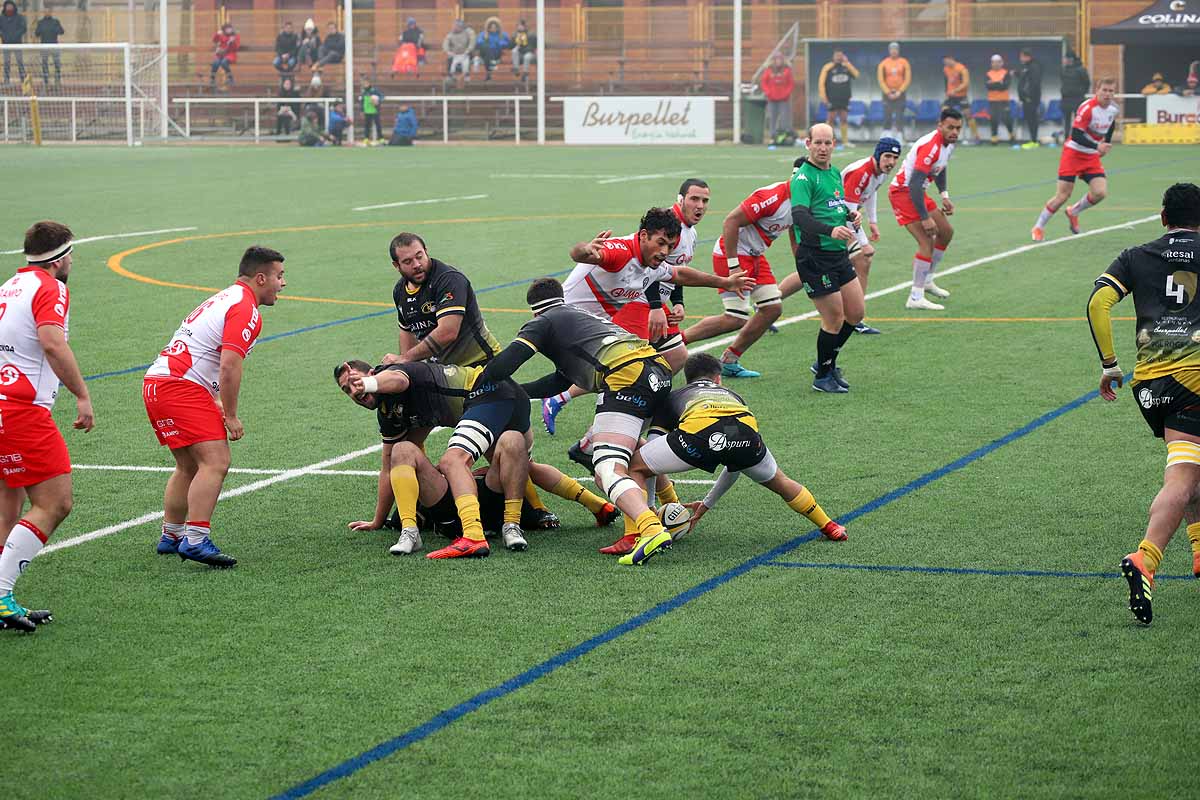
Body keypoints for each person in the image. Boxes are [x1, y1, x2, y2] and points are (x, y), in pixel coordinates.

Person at [475, 278, 676, 566]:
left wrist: (478, 383)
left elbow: (507, 362)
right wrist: (520, 392)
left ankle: (650, 527)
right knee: (624, 451)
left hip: (625, 378)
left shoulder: (543, 321)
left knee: (606, 467)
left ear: (534, 310)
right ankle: (663, 512)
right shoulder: (580, 317)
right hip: (657, 369)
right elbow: (561, 379)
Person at [335, 360, 617, 557]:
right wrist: (377, 520)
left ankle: (480, 532)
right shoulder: (390, 414)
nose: (354, 392)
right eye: (347, 390)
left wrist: (370, 382)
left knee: (456, 460)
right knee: (511, 453)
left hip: (489, 402)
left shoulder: (394, 374)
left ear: (372, 373)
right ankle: (585, 508)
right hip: (475, 490)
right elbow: (389, 467)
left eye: (354, 383)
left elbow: (397, 379)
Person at [1085, 182, 1200, 625]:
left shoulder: (1137, 254)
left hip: (1153, 383)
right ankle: (1146, 558)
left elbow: (1099, 302)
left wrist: (1110, 364)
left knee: (1189, 461)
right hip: (1195, 378)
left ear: (1163, 218)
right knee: (1186, 476)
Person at [142, 247, 286, 569]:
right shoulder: (246, 308)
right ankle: (195, 540)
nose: (282, 283)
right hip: (179, 387)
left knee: (188, 465)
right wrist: (231, 415)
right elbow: (229, 365)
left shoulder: (226, 297)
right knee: (216, 460)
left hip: (157, 382)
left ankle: (172, 534)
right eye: (279, 276)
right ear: (261, 278)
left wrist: (215, 399)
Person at [629, 353, 846, 546]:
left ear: (687, 379)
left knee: (637, 466)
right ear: (718, 379)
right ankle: (829, 525)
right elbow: (735, 464)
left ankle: (647, 526)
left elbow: (652, 458)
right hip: (745, 433)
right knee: (781, 481)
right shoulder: (732, 395)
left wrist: (651, 508)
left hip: (700, 433)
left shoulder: (675, 396)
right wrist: (706, 504)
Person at [0, 221, 93, 633]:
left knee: (8, 506)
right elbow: (53, 343)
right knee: (56, 502)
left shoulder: (8, 286)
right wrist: (82, 394)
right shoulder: (50, 287)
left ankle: (2, 596)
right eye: (70, 254)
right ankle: (1, 596)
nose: (72, 261)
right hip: (21, 409)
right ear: (57, 260)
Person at [780, 136, 903, 335]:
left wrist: (873, 222)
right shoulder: (860, 172)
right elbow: (848, 210)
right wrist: (863, 243)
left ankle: (770, 302)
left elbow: (871, 193)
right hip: (830, 222)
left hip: (838, 222)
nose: (891, 161)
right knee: (861, 259)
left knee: (813, 271)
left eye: (895, 157)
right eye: (887, 156)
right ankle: (855, 318)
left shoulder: (880, 171)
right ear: (878, 154)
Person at [680, 178, 795, 378]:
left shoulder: (806, 199)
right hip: (733, 254)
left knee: (772, 308)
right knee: (736, 317)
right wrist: (734, 266)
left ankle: (729, 361)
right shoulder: (772, 196)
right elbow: (731, 221)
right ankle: (677, 342)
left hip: (756, 255)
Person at [786, 124, 863, 393]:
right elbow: (801, 217)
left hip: (838, 254)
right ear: (807, 143)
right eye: (817, 142)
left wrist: (850, 216)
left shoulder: (834, 174)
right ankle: (822, 377)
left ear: (834, 145)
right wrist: (830, 229)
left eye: (827, 143)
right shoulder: (803, 179)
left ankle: (826, 365)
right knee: (834, 317)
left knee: (855, 313)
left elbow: (835, 206)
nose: (822, 148)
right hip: (814, 257)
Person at [381, 232, 501, 370]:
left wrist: (405, 358)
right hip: (443, 372)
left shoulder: (449, 279)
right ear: (396, 265)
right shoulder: (400, 291)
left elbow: (447, 332)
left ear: (426, 252)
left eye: (419, 256)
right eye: (408, 262)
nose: (417, 264)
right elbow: (407, 331)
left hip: (481, 363)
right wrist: (405, 368)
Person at [890, 107, 963, 311]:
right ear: (940, 126)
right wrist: (925, 217)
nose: (955, 132)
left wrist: (944, 195)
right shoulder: (931, 146)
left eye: (958, 128)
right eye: (950, 127)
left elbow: (941, 168)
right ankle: (915, 296)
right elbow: (913, 183)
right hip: (904, 193)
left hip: (918, 192)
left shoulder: (948, 145)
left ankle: (927, 280)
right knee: (926, 241)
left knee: (946, 232)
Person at [1031, 78, 1118, 242]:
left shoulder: (1113, 109)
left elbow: (1111, 125)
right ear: (1097, 90)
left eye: (1111, 91)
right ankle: (1038, 227)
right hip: (1073, 153)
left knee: (1100, 192)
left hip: (1091, 155)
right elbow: (1077, 135)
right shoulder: (1087, 109)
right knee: (1063, 195)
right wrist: (1097, 146)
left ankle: (1073, 211)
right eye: (1104, 90)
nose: (1107, 94)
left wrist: (1105, 143)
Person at [818, 49, 858, 148]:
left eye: (840, 55)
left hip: (844, 98)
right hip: (832, 98)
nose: (838, 57)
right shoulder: (828, 68)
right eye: (837, 55)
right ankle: (827, 141)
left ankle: (845, 141)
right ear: (833, 57)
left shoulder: (846, 67)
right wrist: (824, 97)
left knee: (844, 119)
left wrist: (847, 63)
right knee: (830, 119)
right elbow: (821, 83)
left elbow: (856, 75)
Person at [877, 42, 911, 141]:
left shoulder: (904, 62)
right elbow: (880, 79)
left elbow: (907, 78)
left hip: (900, 93)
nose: (894, 51)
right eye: (892, 49)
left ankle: (899, 137)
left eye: (895, 49)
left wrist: (900, 91)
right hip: (887, 94)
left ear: (898, 50)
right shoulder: (883, 63)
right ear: (889, 50)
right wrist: (887, 92)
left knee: (899, 115)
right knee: (887, 115)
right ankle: (885, 136)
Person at [941, 55, 978, 143]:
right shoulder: (946, 69)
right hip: (951, 96)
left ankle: (976, 137)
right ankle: (944, 136)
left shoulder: (962, 69)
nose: (946, 63)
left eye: (947, 61)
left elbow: (966, 83)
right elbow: (946, 81)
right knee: (944, 112)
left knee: (968, 115)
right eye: (944, 62)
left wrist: (956, 90)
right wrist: (947, 92)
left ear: (951, 59)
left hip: (961, 96)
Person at [760, 52, 794, 144]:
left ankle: (783, 136)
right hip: (772, 99)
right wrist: (768, 92)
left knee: (784, 118)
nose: (778, 61)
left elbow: (790, 84)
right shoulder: (768, 70)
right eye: (776, 59)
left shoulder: (787, 70)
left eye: (780, 59)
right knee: (772, 118)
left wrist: (786, 93)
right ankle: (772, 137)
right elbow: (764, 83)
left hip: (784, 99)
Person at [1059, 50, 1090, 141]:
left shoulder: (1081, 70)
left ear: (1070, 59)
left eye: (1065, 58)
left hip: (1078, 98)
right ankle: (1066, 139)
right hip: (1066, 98)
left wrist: (1081, 92)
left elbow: (1087, 83)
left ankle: (1079, 138)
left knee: (1079, 120)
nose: (1064, 60)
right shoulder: (1063, 70)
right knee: (1067, 121)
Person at [984, 54, 1015, 145]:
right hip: (993, 100)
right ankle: (994, 138)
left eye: (998, 62)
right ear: (991, 63)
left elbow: (1005, 86)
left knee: (1007, 119)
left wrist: (994, 84)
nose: (996, 64)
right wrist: (999, 84)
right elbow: (988, 86)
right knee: (993, 119)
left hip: (1004, 99)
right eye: (994, 62)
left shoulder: (1006, 73)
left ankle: (1011, 136)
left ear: (1001, 63)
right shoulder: (988, 74)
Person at [1015, 48, 1043, 145]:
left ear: (1027, 57)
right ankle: (1032, 140)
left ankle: (1034, 141)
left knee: (1032, 119)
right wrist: (1016, 74)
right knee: (1029, 119)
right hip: (1025, 99)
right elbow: (1024, 77)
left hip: (1031, 99)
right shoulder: (1026, 67)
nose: (1020, 58)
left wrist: (1029, 96)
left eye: (1022, 56)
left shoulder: (1034, 66)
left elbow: (1034, 83)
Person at [34, 8, 64, 89]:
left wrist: (56, 29)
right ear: (44, 12)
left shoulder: (55, 21)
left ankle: (57, 81)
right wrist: (39, 30)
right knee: (44, 65)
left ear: (51, 12)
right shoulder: (40, 22)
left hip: (54, 46)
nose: (47, 13)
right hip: (44, 47)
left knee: (57, 64)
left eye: (48, 11)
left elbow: (62, 31)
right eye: (45, 11)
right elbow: (36, 33)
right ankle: (46, 82)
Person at [473, 16, 510, 82]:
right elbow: (479, 42)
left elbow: (507, 43)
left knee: (489, 51)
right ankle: (490, 70)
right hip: (485, 54)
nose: (493, 29)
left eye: (495, 27)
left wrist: (499, 43)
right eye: (491, 27)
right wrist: (485, 43)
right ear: (488, 28)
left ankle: (488, 74)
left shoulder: (503, 34)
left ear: (498, 27)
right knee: (487, 48)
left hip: (496, 54)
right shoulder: (483, 34)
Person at [443, 19, 474, 89]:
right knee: (451, 63)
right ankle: (450, 76)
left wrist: (468, 50)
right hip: (455, 55)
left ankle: (467, 76)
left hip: (465, 54)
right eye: (454, 26)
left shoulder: (467, 33)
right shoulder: (450, 34)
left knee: (466, 64)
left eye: (457, 26)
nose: (455, 27)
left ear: (461, 27)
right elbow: (445, 44)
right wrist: (448, 52)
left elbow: (472, 42)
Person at [0, 1, 27, 85]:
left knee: (20, 62)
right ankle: (6, 80)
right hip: (6, 44)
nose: (9, 8)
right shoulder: (1, 18)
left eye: (10, 6)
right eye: (7, 6)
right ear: (4, 7)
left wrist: (16, 36)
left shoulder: (19, 17)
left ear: (14, 7)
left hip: (17, 43)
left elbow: (23, 28)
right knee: (6, 63)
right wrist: (3, 35)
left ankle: (23, 80)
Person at [210, 22, 239, 89]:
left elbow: (236, 48)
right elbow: (214, 40)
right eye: (227, 29)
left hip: (230, 54)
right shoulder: (222, 35)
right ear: (224, 30)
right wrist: (217, 34)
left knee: (223, 62)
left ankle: (230, 78)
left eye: (230, 29)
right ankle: (212, 79)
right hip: (221, 54)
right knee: (215, 63)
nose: (229, 30)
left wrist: (232, 42)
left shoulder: (235, 36)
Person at [511, 19, 536, 84]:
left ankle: (525, 73)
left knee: (526, 57)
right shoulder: (515, 34)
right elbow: (511, 46)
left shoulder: (531, 35)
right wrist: (515, 42)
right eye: (518, 26)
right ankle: (516, 69)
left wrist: (523, 47)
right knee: (514, 50)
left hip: (530, 53)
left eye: (520, 25)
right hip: (520, 54)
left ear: (524, 26)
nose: (519, 27)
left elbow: (532, 47)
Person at [359, 75, 383, 144]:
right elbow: (362, 101)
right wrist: (362, 110)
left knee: (378, 125)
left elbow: (381, 96)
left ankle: (380, 138)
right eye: (363, 83)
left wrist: (377, 100)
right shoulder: (363, 91)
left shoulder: (374, 90)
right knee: (367, 126)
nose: (364, 84)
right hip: (367, 111)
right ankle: (366, 139)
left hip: (374, 110)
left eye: (365, 83)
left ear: (369, 82)